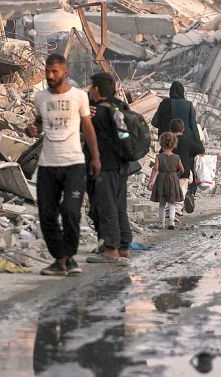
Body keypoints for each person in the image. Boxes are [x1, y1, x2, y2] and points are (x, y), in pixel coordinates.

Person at [26, 54, 100, 277]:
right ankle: (60, 259)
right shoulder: (39, 97)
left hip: (74, 163)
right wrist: (32, 130)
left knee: (70, 210)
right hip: (48, 165)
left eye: (55, 71)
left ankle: (69, 255)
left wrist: (95, 157)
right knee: (47, 214)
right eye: (47, 71)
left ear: (65, 72)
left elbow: (87, 127)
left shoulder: (79, 96)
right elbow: (39, 123)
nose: (50, 75)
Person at [84, 72, 131, 265]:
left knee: (106, 205)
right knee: (119, 205)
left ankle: (111, 250)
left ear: (96, 89)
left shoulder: (96, 112)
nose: (88, 90)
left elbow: (87, 134)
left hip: (104, 164)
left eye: (90, 87)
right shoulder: (120, 106)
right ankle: (124, 247)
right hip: (122, 164)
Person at [148, 132, 184, 230]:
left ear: (161, 143)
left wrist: (150, 181)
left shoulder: (159, 156)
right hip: (173, 179)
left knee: (162, 203)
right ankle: (171, 222)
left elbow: (155, 169)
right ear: (174, 144)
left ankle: (161, 223)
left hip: (161, 180)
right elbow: (182, 170)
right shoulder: (177, 157)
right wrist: (176, 176)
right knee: (172, 202)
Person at [171, 118, 204, 217]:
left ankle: (170, 209)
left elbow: (161, 153)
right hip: (184, 173)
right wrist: (191, 153)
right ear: (182, 130)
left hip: (169, 171)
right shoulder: (186, 140)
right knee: (183, 188)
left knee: (170, 191)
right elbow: (200, 149)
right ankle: (178, 208)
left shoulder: (168, 140)